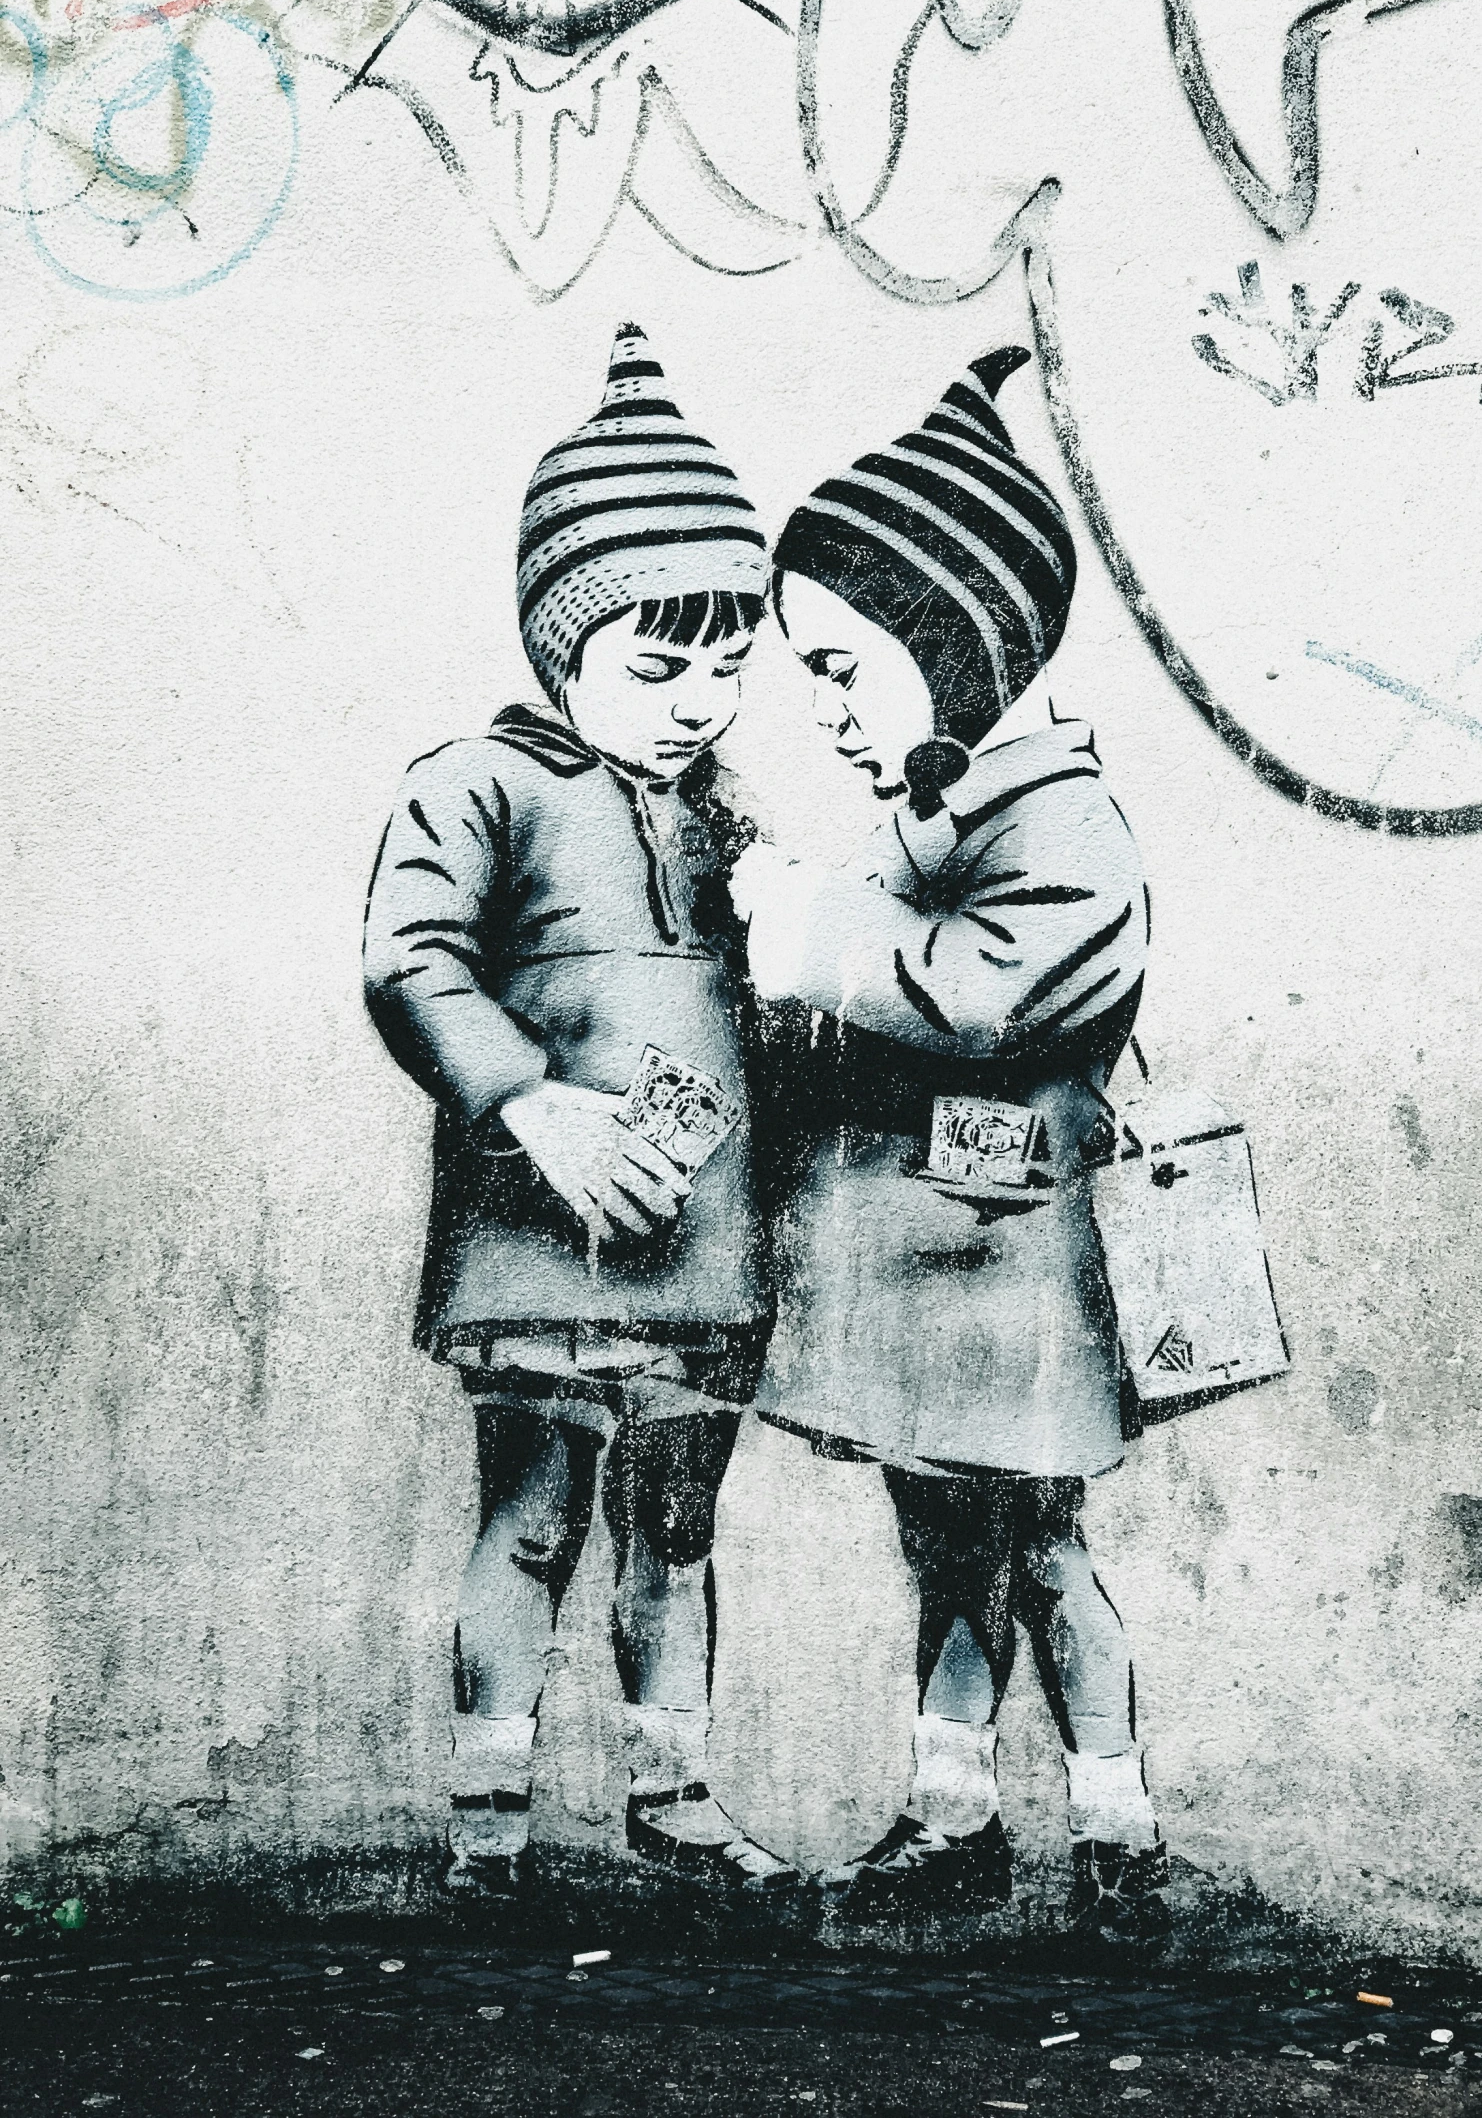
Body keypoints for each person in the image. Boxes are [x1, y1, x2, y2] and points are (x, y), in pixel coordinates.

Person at [731, 345, 1169, 1940]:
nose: (827, 706)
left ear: (952, 639)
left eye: (845, 667)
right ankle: (952, 1811)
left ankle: (1116, 1828)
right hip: (937, 1266)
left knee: (1041, 1548)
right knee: (949, 1547)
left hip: (1007, 1266)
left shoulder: (1058, 823)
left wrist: (806, 932)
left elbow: (980, 998)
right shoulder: (942, 813)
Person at [364, 324, 791, 1896]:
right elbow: (407, 960)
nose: (696, 701)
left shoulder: (727, 812)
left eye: (728, 665)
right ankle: (490, 1823)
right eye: (658, 664)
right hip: (539, 1232)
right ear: (562, 647)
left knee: (675, 1527)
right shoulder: (475, 779)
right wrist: (529, 1104)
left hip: (702, 1239)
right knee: (531, 1521)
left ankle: (672, 1799)